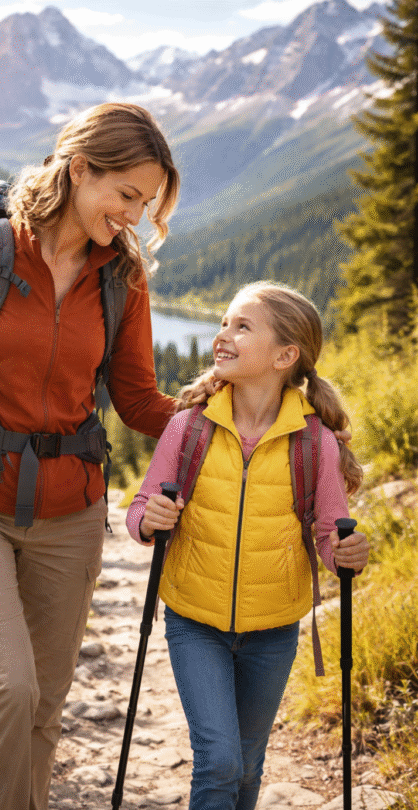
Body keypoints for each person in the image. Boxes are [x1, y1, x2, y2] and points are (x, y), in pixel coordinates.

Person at [0, 102, 180, 810]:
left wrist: (218, 416)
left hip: (70, 515)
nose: (133, 216)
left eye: (145, 204)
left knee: (43, 709)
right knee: (5, 687)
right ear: (80, 169)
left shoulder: (121, 277)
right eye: (126, 195)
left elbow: (137, 399)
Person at [126, 281, 370, 810]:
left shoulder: (314, 443)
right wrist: (150, 520)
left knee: (248, 765)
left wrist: (347, 554)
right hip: (194, 621)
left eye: (242, 327)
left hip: (273, 629)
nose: (223, 335)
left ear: (285, 356)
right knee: (220, 762)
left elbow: (330, 537)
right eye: (223, 323)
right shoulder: (189, 427)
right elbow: (140, 509)